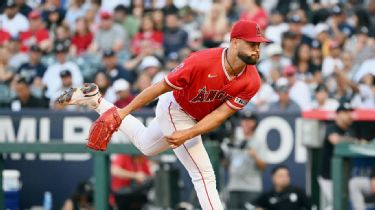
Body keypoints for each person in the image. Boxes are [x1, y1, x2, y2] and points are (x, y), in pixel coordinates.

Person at [58, 20, 269, 210]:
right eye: (252, 44)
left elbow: (220, 115)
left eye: (258, 45)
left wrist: (189, 133)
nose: (256, 50)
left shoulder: (252, 80)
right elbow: (160, 87)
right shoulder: (201, 61)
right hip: (174, 107)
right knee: (204, 173)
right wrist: (124, 111)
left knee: (146, 146)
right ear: (234, 42)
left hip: (193, 118)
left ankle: (96, 100)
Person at [223, 111, 267, 209]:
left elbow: (263, 166)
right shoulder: (233, 138)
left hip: (251, 187)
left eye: (250, 120)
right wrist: (223, 157)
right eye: (244, 120)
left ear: (255, 123)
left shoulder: (259, 141)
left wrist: (255, 156)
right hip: (233, 186)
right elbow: (226, 164)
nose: (247, 123)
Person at [318, 102, 356, 210]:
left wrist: (354, 141)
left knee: (341, 204)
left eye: (350, 112)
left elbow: (358, 142)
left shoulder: (350, 131)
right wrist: (353, 141)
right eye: (345, 112)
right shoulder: (331, 127)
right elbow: (335, 140)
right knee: (336, 204)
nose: (349, 115)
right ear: (338, 114)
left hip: (343, 176)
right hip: (328, 175)